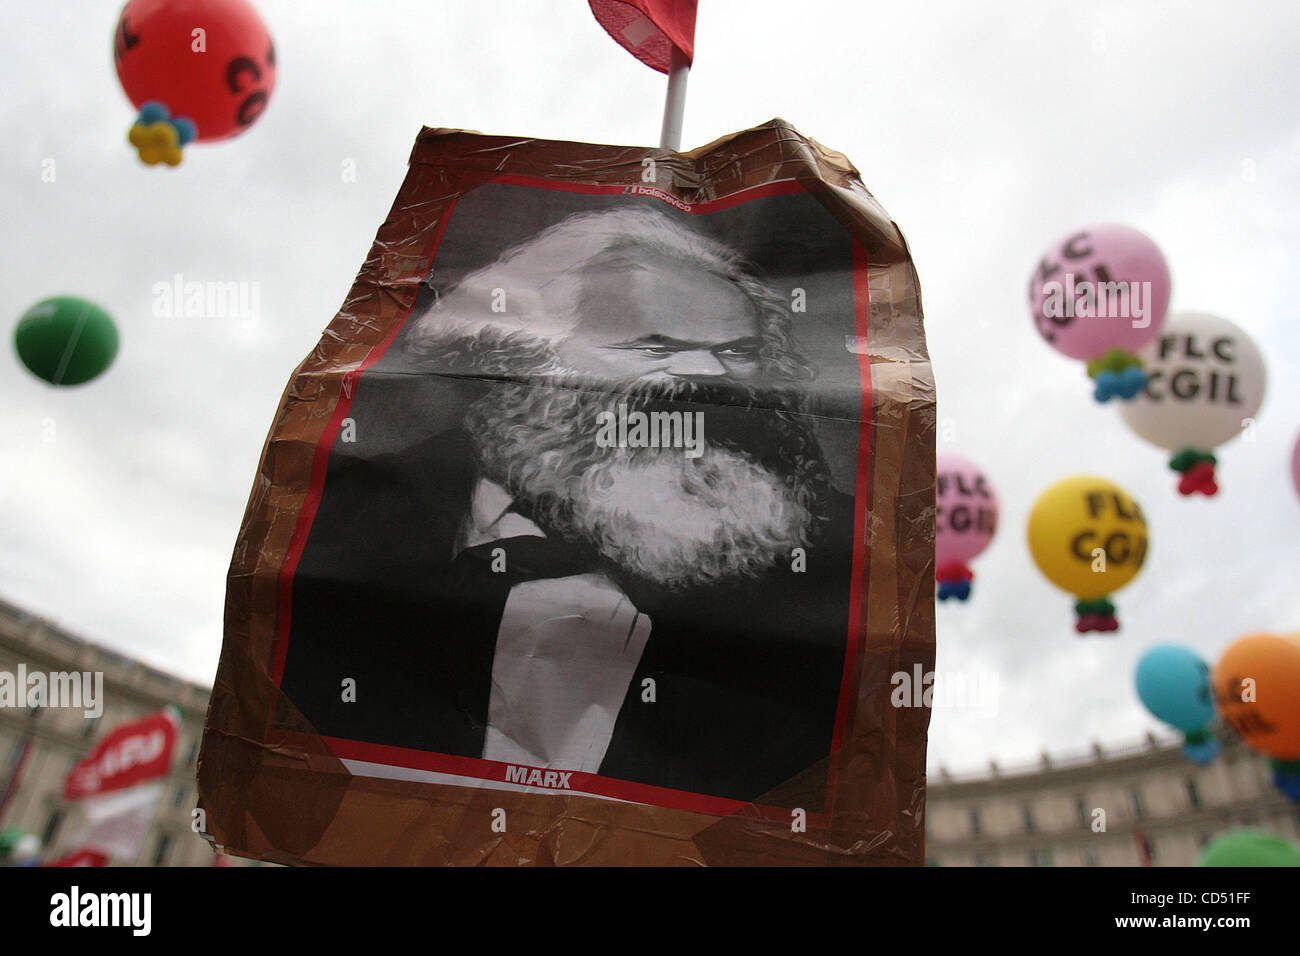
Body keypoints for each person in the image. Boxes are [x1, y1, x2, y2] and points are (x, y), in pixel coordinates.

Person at [282, 206, 854, 805]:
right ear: (525, 359)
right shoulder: (339, 517)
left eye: (737, 353)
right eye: (652, 345)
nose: (709, 381)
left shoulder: (836, 563)